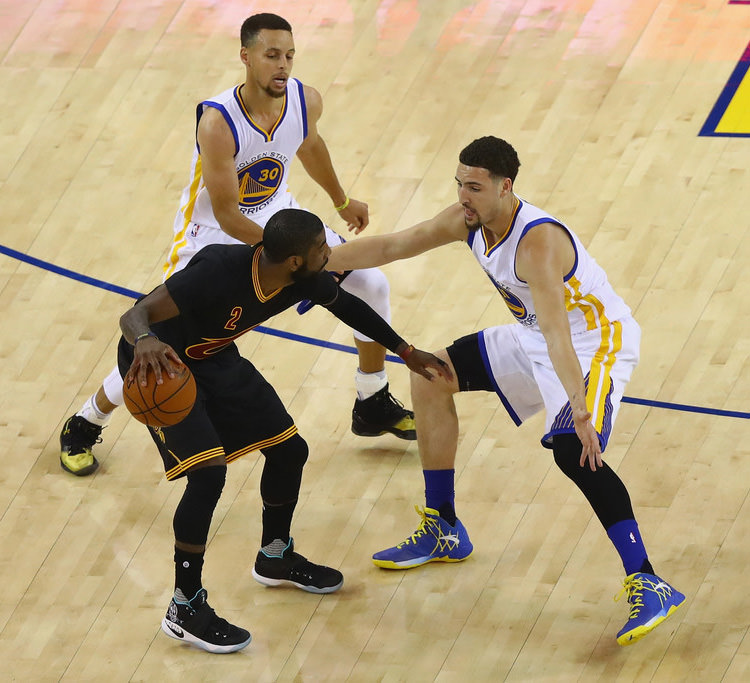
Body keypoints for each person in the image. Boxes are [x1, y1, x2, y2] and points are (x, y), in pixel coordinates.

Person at [325, 136, 685, 646]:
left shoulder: (537, 243)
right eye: (459, 184)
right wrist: (320, 260)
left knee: (571, 450)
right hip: (533, 336)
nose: (463, 196)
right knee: (429, 376)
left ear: (505, 187)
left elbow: (560, 333)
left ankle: (648, 580)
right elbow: (393, 245)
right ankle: (444, 526)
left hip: (592, 344)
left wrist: (580, 408)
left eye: (474, 187)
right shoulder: (468, 221)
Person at [60, 12, 415, 477]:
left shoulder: (305, 100)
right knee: (178, 345)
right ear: (246, 57)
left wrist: (341, 199)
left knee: (371, 284)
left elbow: (308, 143)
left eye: (289, 55)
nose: (282, 65)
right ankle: (86, 420)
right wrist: (294, 260)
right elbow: (228, 213)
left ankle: (372, 398)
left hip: (280, 219)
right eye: (271, 56)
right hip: (211, 236)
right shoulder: (218, 122)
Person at [119, 208, 451, 653]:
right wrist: (145, 340)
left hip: (215, 357)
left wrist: (404, 351)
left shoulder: (303, 278)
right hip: (160, 366)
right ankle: (184, 605)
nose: (329, 252)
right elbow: (136, 314)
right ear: (295, 259)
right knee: (208, 474)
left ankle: (274, 555)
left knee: (290, 450)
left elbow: (350, 306)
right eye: (321, 248)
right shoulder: (218, 268)